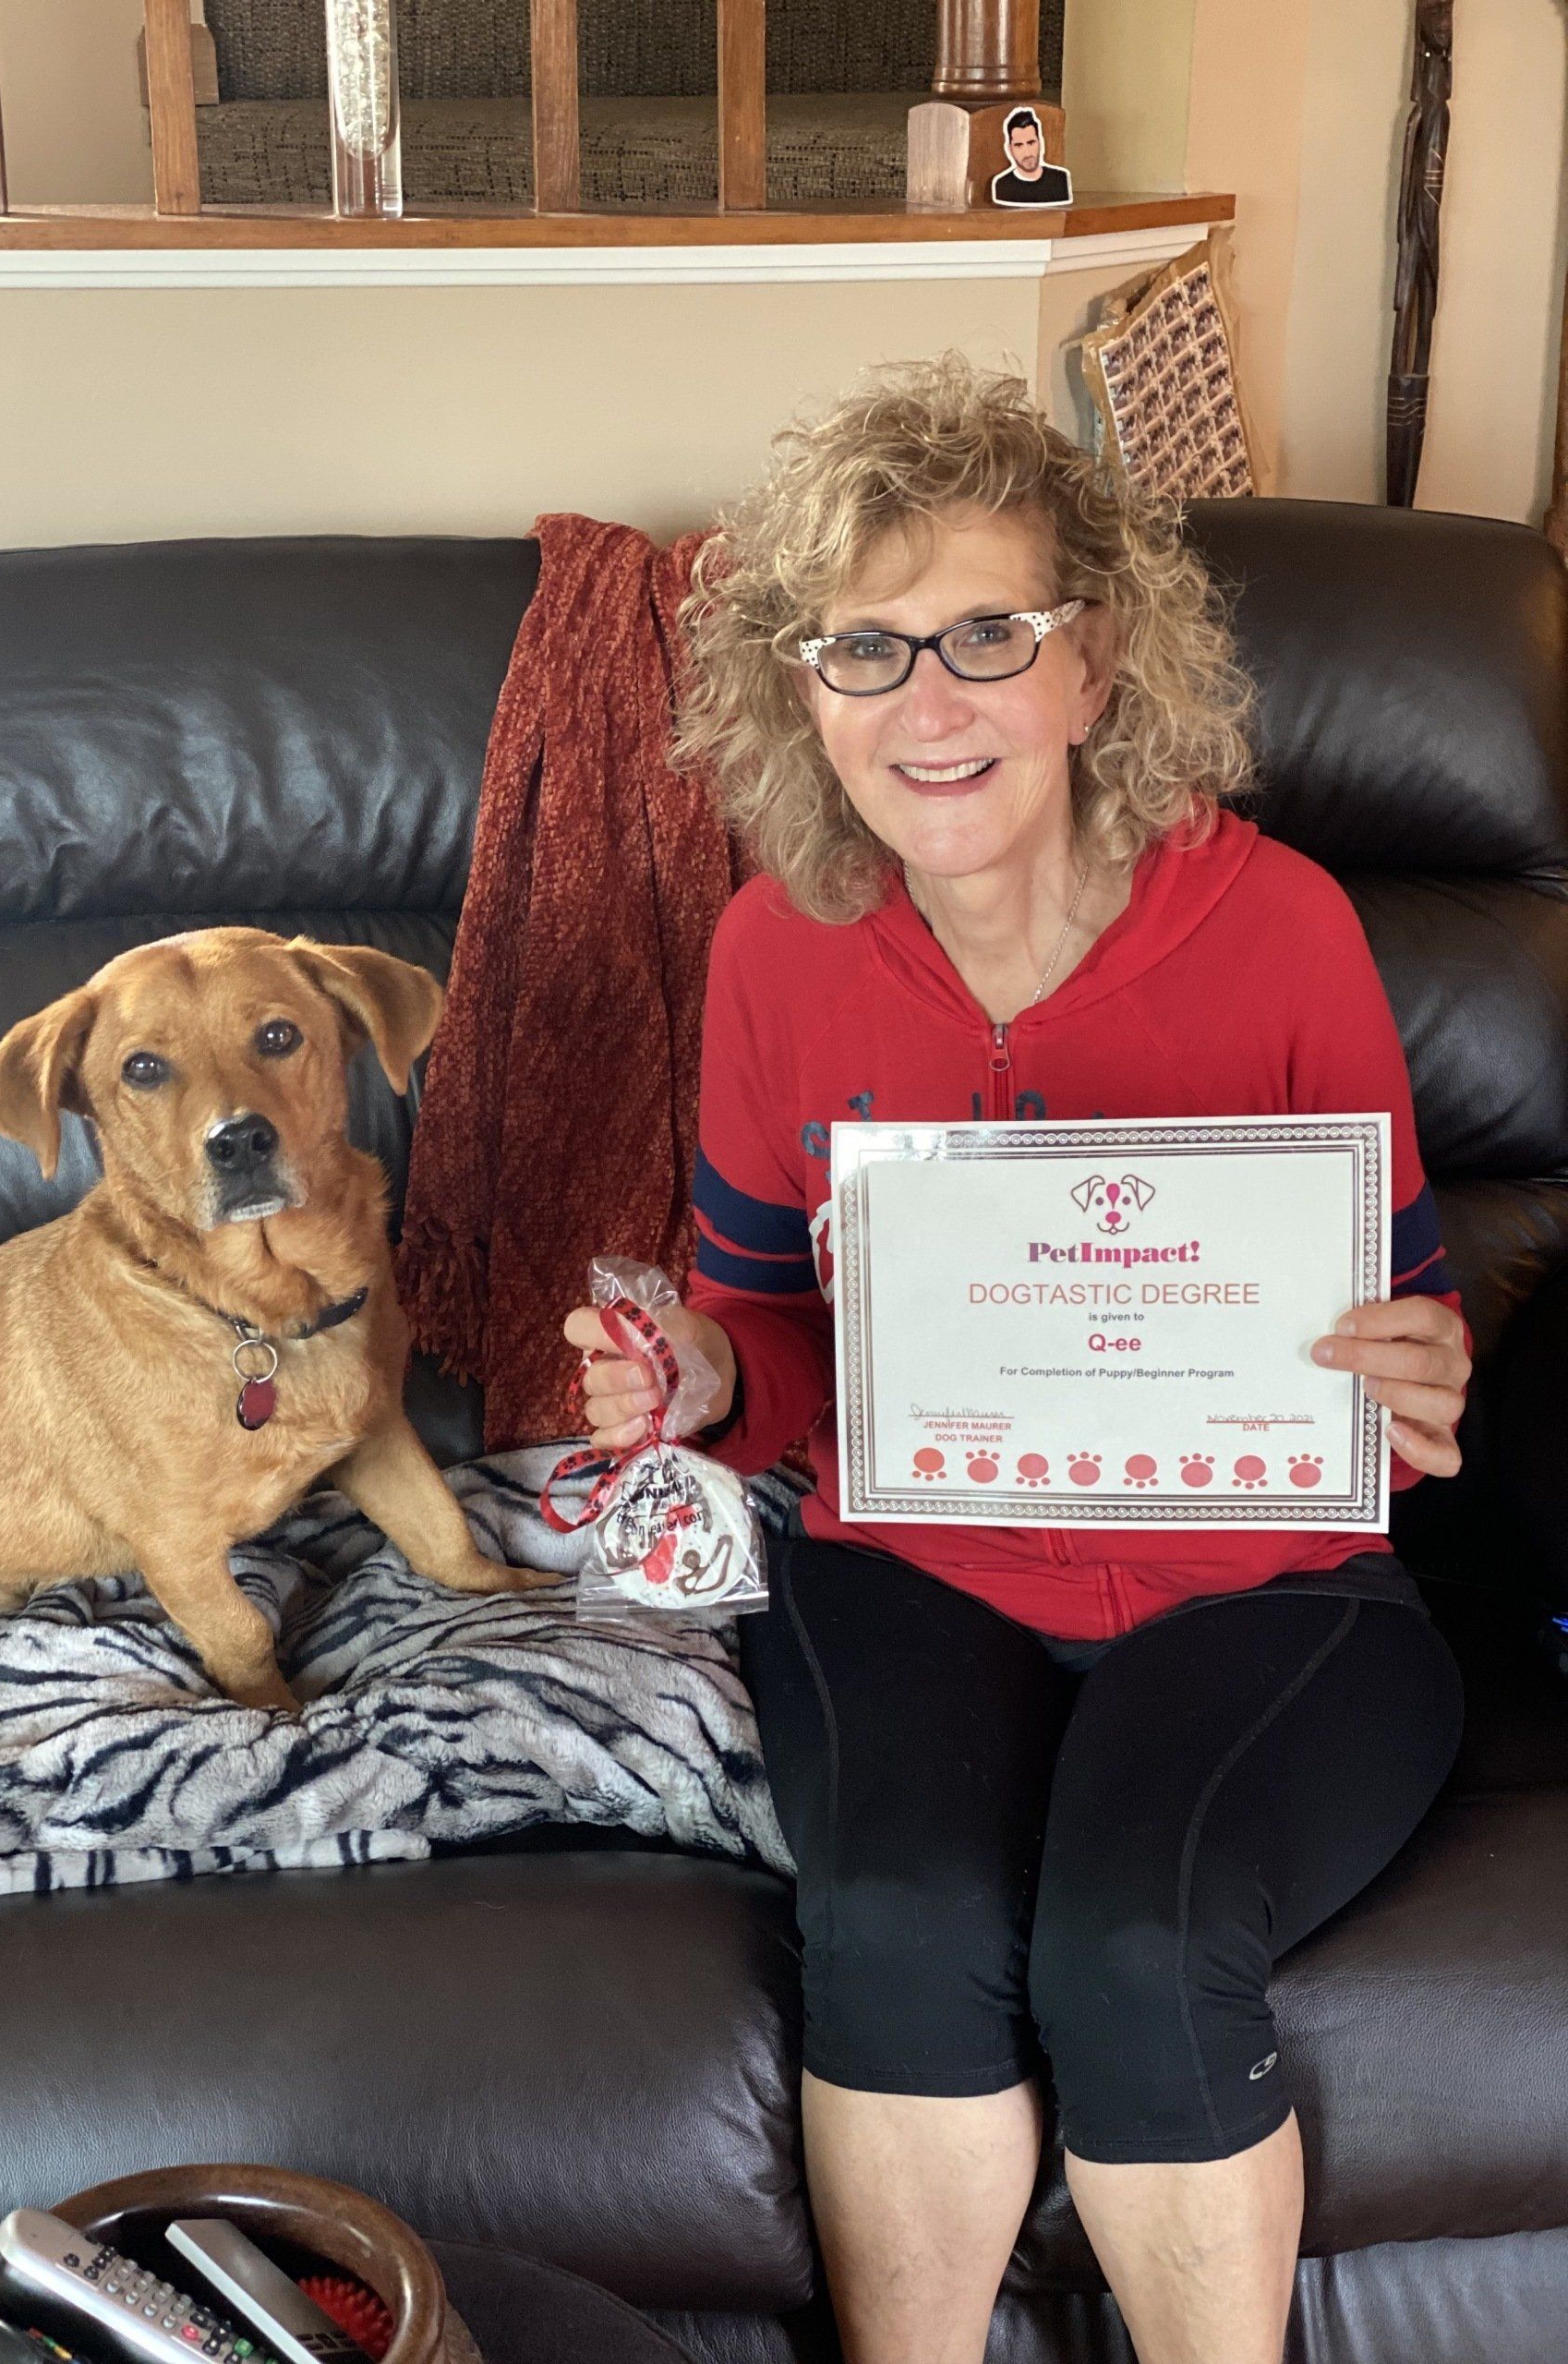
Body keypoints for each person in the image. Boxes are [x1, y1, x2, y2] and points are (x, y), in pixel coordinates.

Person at [561, 356, 1468, 2364]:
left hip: (1264, 1584)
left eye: (988, 631)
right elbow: (773, 1334)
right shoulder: (773, 955)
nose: (927, 702)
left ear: (1098, 658)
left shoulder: (1291, 929)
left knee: (1138, 1941)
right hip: (912, 1564)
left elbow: (1411, 1325)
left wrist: (1419, 1375)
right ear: (803, 693)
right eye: (864, 650)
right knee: (893, 1919)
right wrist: (702, 1381)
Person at [990, 106, 1073, 207]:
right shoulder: (1003, 185)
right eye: (1019, 145)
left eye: (1031, 143)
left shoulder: (1059, 180)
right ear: (1010, 149)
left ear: (1040, 143)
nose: (1027, 153)